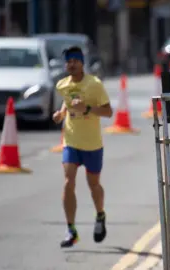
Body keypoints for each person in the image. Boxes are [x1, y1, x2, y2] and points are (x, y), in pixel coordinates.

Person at [52, 46, 113, 247]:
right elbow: (68, 101)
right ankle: (71, 230)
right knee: (68, 181)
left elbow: (108, 112)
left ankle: (100, 215)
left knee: (93, 184)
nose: (71, 64)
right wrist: (61, 113)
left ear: (82, 63)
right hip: (71, 141)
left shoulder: (94, 85)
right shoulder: (62, 85)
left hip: (92, 143)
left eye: (75, 60)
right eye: (68, 61)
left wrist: (87, 108)